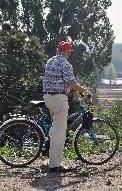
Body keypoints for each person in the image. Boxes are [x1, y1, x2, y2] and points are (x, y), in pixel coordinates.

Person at [42, 41, 91, 172]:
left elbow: (62, 81)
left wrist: (77, 89)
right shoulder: (65, 64)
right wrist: (84, 91)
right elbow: (71, 83)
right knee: (60, 132)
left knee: (55, 128)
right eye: (69, 52)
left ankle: (47, 151)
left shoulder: (50, 61)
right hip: (59, 98)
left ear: (58, 50)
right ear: (68, 52)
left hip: (48, 97)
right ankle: (55, 165)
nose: (69, 55)